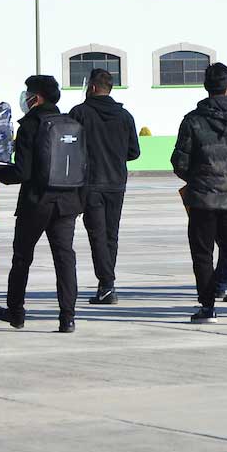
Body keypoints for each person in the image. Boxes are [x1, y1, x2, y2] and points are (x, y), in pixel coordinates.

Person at [172, 62, 227, 325]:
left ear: (206, 86)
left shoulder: (193, 120)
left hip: (203, 198)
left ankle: (208, 307)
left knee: (202, 253)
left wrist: (196, 179)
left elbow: (180, 161)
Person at [0, 75, 83, 332]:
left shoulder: (30, 126)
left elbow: (22, 172)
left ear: (37, 97)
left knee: (22, 257)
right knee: (65, 258)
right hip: (67, 201)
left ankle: (16, 312)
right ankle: (68, 317)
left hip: (36, 201)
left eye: (28, 92)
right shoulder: (71, 123)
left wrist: (1, 173)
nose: (25, 97)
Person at [70, 68, 141, 305]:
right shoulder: (125, 116)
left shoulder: (79, 113)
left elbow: (68, 147)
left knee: (97, 235)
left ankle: (107, 285)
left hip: (90, 183)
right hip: (116, 183)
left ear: (91, 88)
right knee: (111, 235)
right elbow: (134, 152)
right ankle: (107, 284)